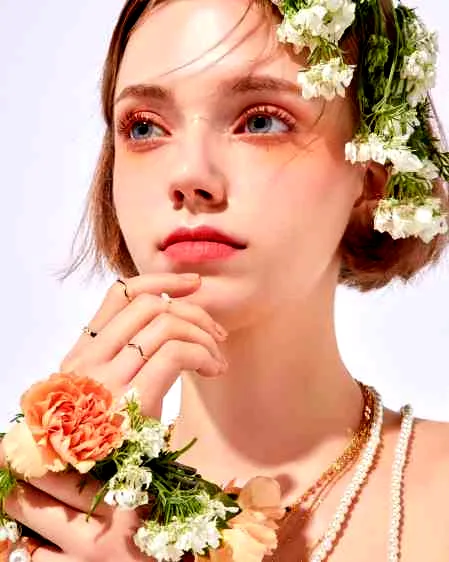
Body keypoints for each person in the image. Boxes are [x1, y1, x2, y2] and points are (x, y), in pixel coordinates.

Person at [2, 0, 449, 560]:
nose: (190, 174)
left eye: (261, 121)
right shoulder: (29, 517)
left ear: (374, 176)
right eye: (144, 127)